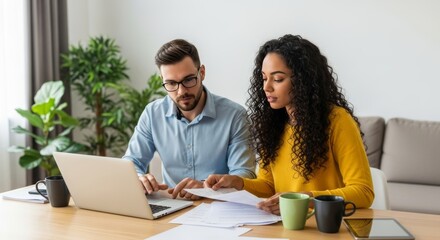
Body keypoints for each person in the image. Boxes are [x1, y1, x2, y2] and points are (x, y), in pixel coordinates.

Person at [204, 34, 374, 214]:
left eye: (277, 79)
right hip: (285, 224)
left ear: (303, 81)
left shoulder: (338, 120)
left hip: (325, 225)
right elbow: (268, 186)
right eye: (264, 78)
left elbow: (363, 192)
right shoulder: (273, 125)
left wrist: (304, 200)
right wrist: (238, 183)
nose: (266, 87)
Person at [123, 39, 256, 200]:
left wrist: (205, 188)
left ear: (202, 73)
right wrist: (138, 177)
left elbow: (245, 176)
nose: (181, 91)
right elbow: (130, 163)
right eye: (171, 83)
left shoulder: (235, 115)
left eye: (188, 80)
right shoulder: (152, 114)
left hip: (219, 206)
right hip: (172, 206)